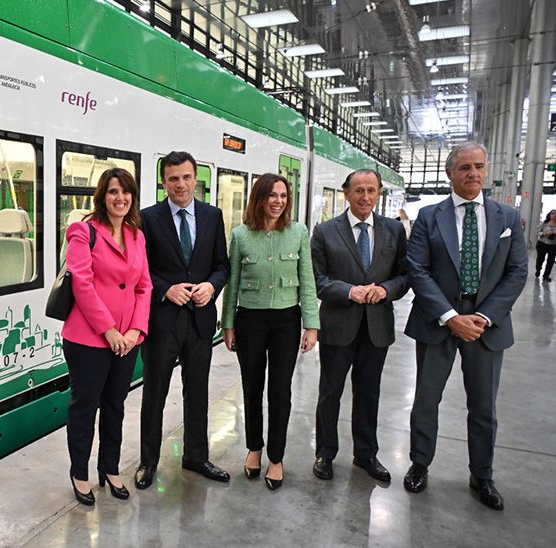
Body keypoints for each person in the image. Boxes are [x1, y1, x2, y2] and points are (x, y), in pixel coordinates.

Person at [403, 142, 527, 511]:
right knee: (426, 399)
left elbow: (517, 272)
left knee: (484, 406)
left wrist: (484, 317)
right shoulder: (429, 216)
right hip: (438, 322)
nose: (473, 174)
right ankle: (420, 464)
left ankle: (482, 475)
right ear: (449, 173)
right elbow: (417, 268)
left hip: (486, 326)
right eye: (465, 168)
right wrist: (449, 316)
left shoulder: (507, 218)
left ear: (486, 170)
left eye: (479, 167)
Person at [135, 151, 230, 490]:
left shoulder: (212, 216)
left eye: (186, 177)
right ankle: (148, 462)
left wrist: (211, 285)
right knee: (154, 395)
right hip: (163, 322)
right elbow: (140, 271)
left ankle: (196, 456)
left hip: (201, 321)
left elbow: (223, 265)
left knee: (198, 393)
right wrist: (165, 290)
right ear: (164, 182)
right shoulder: (147, 218)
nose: (181, 184)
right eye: (173, 178)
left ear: (195, 179)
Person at [221, 172, 319, 490]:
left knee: (280, 391)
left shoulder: (298, 232)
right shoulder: (240, 235)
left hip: (286, 322)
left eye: (283, 195)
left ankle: (276, 457)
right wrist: (228, 325)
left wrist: (311, 325)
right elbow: (232, 283)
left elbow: (307, 280)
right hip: (250, 320)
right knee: (251, 388)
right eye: (272, 195)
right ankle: (254, 448)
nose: (278, 201)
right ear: (259, 199)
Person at [310, 169, 409, 484]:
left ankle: (366, 454)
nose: (366, 197)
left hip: (377, 326)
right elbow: (318, 280)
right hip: (338, 324)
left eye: (372, 190)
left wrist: (386, 290)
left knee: (369, 393)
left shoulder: (394, 230)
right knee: (330, 392)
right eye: (359, 191)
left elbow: (404, 275)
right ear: (346, 193)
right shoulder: (325, 231)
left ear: (379, 192)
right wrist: (349, 291)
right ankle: (325, 453)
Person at [62, 168, 152, 506]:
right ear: (102, 196)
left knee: (115, 406)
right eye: (113, 192)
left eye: (126, 192)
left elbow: (145, 286)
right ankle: (79, 472)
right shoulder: (83, 232)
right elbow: (81, 284)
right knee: (84, 407)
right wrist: (110, 330)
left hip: (127, 341)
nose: (120, 198)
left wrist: (134, 331)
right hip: (88, 339)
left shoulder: (136, 235)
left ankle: (110, 468)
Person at [534, 209, 556, 282]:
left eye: (555, 214)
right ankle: (538, 270)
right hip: (542, 243)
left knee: (551, 260)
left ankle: (546, 275)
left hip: (553, 244)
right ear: (549, 215)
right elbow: (538, 232)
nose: (554, 215)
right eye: (552, 213)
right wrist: (547, 233)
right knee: (540, 259)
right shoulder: (545, 223)